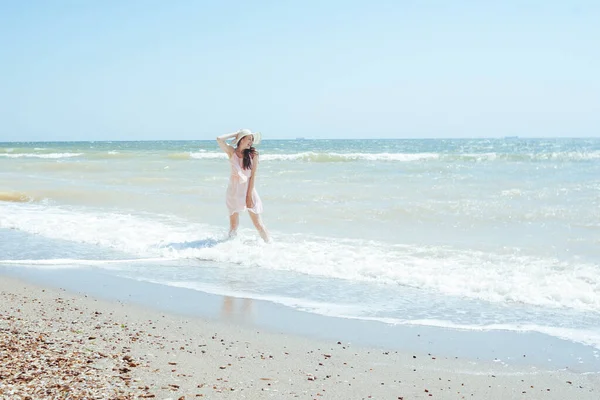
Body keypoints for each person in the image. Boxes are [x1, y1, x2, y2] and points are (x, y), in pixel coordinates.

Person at [216, 129, 270, 242]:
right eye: (249, 139)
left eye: (252, 139)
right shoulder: (232, 152)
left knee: (258, 224)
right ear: (242, 139)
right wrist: (236, 134)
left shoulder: (253, 155)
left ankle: (269, 245)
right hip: (233, 191)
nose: (251, 142)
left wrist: (248, 196)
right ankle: (228, 247)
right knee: (234, 225)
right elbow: (219, 139)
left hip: (248, 191)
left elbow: (253, 176)